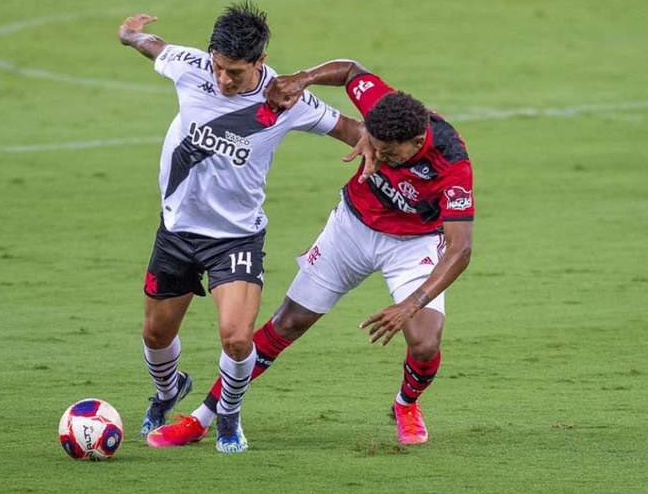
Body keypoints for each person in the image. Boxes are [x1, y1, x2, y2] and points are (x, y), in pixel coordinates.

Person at [149, 59, 474, 447]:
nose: (379, 157)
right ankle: (203, 417)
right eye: (376, 145)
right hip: (351, 229)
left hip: (414, 244)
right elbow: (352, 70)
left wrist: (411, 304)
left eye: (390, 153)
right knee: (287, 323)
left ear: (418, 142)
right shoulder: (386, 110)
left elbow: (460, 249)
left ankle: (406, 404)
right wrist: (304, 79)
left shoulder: (452, 163)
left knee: (424, 341)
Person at [118, 3, 367, 453]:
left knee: (236, 338)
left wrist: (382, 142)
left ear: (260, 63)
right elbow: (150, 46)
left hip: (236, 237)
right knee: (156, 335)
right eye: (218, 67)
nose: (223, 80)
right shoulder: (191, 66)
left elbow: (350, 128)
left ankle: (229, 416)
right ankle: (167, 392)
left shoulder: (285, 100)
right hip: (177, 230)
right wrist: (129, 32)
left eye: (234, 72)